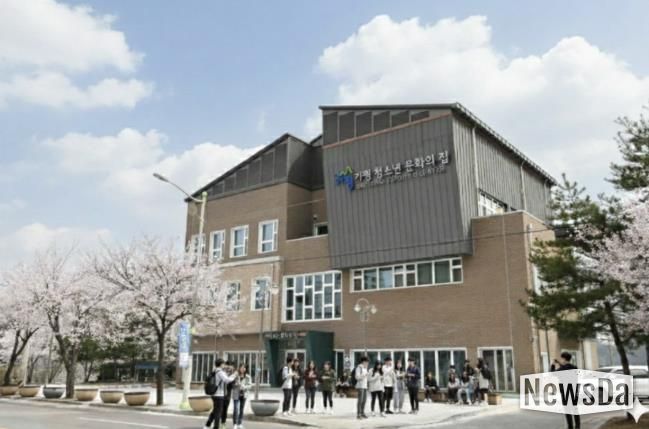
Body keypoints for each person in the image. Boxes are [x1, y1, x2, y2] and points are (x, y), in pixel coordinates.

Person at [551, 352, 581, 429]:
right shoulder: (574, 367)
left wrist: (553, 365)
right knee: (575, 409)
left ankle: (570, 427)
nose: (561, 360)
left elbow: (552, 373)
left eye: (562, 358)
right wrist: (559, 363)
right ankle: (577, 426)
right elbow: (566, 368)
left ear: (564, 359)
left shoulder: (562, 369)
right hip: (574, 391)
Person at [204, 358, 236, 429]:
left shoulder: (215, 370)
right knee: (218, 412)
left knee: (216, 410)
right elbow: (227, 380)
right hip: (219, 394)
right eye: (224, 364)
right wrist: (234, 375)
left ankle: (208, 425)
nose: (225, 365)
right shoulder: (220, 372)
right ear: (221, 364)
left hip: (215, 393)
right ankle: (216, 427)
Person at [231, 364, 251, 429]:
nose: (242, 369)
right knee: (236, 409)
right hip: (236, 394)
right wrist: (236, 384)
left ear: (245, 369)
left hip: (244, 394)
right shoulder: (235, 375)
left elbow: (250, 385)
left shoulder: (248, 377)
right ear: (239, 368)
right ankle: (235, 424)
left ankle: (240, 423)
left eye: (244, 368)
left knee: (241, 409)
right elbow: (231, 384)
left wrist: (244, 387)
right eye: (241, 367)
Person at [221, 362, 235, 428]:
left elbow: (232, 385)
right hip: (220, 394)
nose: (229, 369)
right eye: (228, 367)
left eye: (231, 368)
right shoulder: (221, 373)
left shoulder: (232, 375)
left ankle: (223, 423)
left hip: (227, 395)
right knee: (218, 409)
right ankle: (214, 422)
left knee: (225, 409)